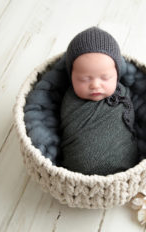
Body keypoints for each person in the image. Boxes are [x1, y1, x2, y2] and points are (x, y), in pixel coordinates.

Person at [60, 27, 139, 176]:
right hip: (76, 172)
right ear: (71, 77)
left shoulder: (122, 94)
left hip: (125, 169)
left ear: (117, 74)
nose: (95, 85)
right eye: (84, 79)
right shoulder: (69, 100)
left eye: (105, 78)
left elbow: (132, 121)